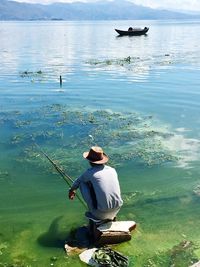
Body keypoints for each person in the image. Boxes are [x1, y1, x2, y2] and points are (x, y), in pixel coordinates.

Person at [68, 146, 123, 223]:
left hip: (100, 214)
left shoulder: (90, 172)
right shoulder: (112, 170)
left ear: (90, 161)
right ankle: (108, 216)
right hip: (117, 210)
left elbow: (77, 182)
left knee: (81, 182)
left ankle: (95, 217)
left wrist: (72, 190)